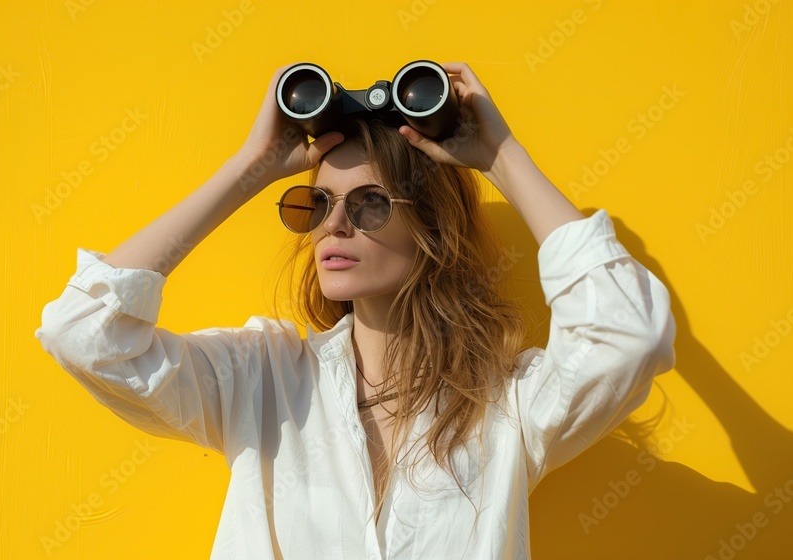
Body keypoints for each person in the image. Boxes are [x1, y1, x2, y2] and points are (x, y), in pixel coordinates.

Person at [35, 61, 677, 559]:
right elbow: (85, 332)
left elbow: (629, 336)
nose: (334, 224)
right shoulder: (261, 381)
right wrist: (249, 169)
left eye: (370, 203)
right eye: (315, 205)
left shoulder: (506, 404)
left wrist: (499, 157)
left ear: (433, 229)